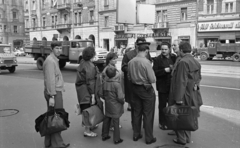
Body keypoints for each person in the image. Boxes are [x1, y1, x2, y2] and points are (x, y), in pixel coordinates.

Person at [168, 42, 203, 145]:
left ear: (182, 50)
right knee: (188, 116)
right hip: (192, 93)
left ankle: (181, 139)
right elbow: (198, 79)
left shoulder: (183, 62)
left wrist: (178, 98)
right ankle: (187, 138)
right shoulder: (196, 62)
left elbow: (181, 81)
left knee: (180, 116)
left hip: (183, 94)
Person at [43, 41, 70, 148]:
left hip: (53, 91)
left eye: (60, 48)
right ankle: (58, 144)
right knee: (57, 118)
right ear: (52, 49)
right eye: (57, 48)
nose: (59, 50)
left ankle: (49, 143)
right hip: (54, 92)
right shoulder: (50, 61)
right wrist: (52, 96)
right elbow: (50, 80)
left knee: (51, 117)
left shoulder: (53, 60)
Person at [128, 45, 157, 145]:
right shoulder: (146, 62)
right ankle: (149, 137)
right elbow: (153, 79)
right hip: (145, 89)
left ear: (137, 50)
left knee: (136, 112)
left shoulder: (130, 62)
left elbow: (129, 76)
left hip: (135, 88)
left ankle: (136, 134)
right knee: (148, 114)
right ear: (146, 51)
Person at [121, 37, 152, 127]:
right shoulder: (128, 55)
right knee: (135, 108)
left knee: (145, 107)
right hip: (133, 83)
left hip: (145, 84)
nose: (144, 47)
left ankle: (144, 125)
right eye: (141, 45)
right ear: (136, 45)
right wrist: (133, 70)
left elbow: (150, 63)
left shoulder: (147, 53)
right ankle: (135, 126)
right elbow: (123, 67)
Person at [75, 46, 100, 138]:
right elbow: (90, 82)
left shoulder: (82, 62)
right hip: (86, 91)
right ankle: (87, 130)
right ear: (92, 55)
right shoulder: (90, 66)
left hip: (81, 90)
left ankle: (90, 125)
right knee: (87, 110)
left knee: (85, 108)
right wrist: (93, 95)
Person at [153, 42, 176, 130]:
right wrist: (164, 71)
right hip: (162, 86)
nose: (163, 51)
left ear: (169, 49)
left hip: (172, 86)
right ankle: (162, 123)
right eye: (162, 49)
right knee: (162, 106)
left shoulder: (174, 57)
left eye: (165, 49)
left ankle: (170, 123)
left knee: (172, 106)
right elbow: (154, 72)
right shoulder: (157, 59)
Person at [100, 66, 125, 144]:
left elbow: (101, 93)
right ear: (115, 74)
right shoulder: (117, 85)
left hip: (108, 104)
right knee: (116, 122)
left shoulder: (104, 83)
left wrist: (106, 99)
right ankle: (116, 139)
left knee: (106, 119)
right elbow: (120, 97)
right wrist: (122, 102)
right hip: (116, 106)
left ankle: (104, 135)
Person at [102, 52, 122, 131]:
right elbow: (106, 80)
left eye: (116, 58)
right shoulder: (108, 69)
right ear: (109, 60)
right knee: (113, 110)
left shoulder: (113, 66)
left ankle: (111, 126)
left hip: (113, 91)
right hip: (112, 91)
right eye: (114, 59)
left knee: (111, 110)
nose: (116, 60)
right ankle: (113, 126)